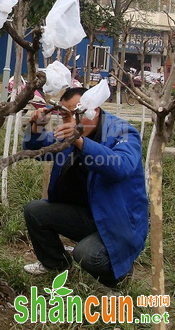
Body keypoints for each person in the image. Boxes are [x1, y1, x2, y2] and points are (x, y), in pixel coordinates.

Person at [22, 87, 148, 288]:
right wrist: (36, 127)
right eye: (64, 115)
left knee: (87, 254)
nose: (69, 120)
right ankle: (57, 265)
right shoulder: (70, 132)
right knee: (35, 211)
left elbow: (121, 167)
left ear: (93, 111)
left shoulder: (122, 132)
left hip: (119, 221)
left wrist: (81, 142)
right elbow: (39, 151)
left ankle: (119, 278)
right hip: (87, 214)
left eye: (75, 114)